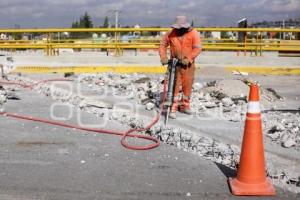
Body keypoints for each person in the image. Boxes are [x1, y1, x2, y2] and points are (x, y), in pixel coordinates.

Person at [159, 15, 202, 119]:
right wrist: (163, 57)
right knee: (175, 85)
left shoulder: (193, 33)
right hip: (175, 64)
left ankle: (185, 105)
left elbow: (198, 48)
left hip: (188, 65)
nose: (179, 30)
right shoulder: (171, 33)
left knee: (187, 85)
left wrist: (189, 58)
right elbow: (162, 45)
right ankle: (173, 106)